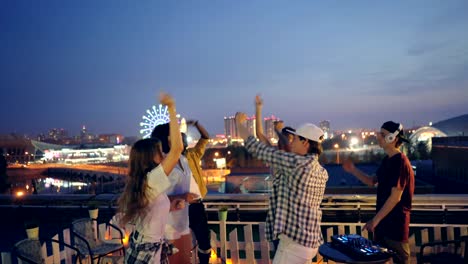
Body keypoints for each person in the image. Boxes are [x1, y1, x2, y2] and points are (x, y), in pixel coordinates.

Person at [235, 110, 329, 264]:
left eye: (296, 139)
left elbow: (257, 148)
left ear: (305, 142)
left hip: (294, 243)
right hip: (310, 242)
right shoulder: (321, 171)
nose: (291, 142)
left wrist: (239, 123)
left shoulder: (296, 163)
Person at [118, 93, 185, 264]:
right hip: (147, 250)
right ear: (149, 157)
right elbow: (177, 149)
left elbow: (149, 209)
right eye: (160, 151)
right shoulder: (151, 180)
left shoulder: (146, 182)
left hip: (149, 247)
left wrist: (170, 206)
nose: (164, 154)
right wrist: (171, 108)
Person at [342, 121, 414, 264]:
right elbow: (371, 181)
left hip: (395, 228)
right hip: (383, 227)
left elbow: (395, 197)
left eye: (383, 134)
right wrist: (353, 170)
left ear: (392, 138)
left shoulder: (400, 161)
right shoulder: (387, 160)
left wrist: (374, 221)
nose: (378, 136)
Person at [151, 122, 201, 264]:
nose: (181, 136)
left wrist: (192, 197)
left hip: (183, 220)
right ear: (167, 139)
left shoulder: (183, 160)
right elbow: (152, 197)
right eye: (176, 134)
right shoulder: (162, 164)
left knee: (186, 260)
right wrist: (182, 197)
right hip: (166, 225)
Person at [184, 120, 212, 264]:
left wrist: (196, 124)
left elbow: (206, 137)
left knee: (204, 241)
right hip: (180, 208)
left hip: (197, 206)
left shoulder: (192, 155)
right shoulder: (169, 161)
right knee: (179, 242)